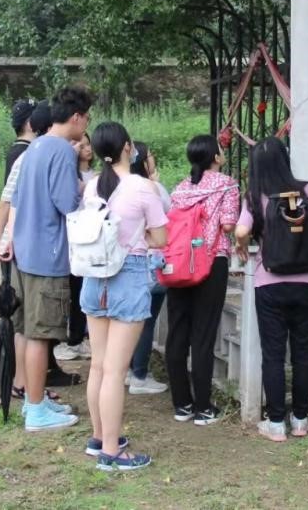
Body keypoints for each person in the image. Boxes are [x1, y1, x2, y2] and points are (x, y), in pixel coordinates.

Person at [2, 86, 93, 431]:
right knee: (41, 335)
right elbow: (66, 203)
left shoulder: (35, 146)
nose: (86, 125)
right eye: (86, 118)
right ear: (76, 117)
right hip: (48, 256)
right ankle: (38, 410)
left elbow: (18, 198)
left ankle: (33, 400)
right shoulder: (62, 151)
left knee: (28, 330)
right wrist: (85, 189)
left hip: (25, 252)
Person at [80, 122, 168, 471]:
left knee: (99, 366)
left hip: (94, 276)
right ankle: (112, 451)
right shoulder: (143, 187)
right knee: (116, 372)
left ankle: (99, 437)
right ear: (127, 147)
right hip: (128, 275)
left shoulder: (91, 187)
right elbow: (160, 238)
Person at [234, 137, 308, 442]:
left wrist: (241, 246)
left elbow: (241, 230)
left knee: (274, 353)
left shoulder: (255, 196)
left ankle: (276, 422)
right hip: (307, 281)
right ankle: (300, 419)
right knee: (304, 351)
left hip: (270, 283)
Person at [164, 134, 240, 425]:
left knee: (177, 331)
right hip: (210, 262)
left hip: (179, 263)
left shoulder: (180, 189)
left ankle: (182, 404)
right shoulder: (226, 184)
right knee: (203, 335)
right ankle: (203, 407)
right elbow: (228, 225)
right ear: (216, 157)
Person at [125, 141, 169, 394]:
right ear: (143, 160)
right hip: (152, 260)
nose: (153, 159)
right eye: (151, 155)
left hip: (127, 261)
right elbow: (168, 216)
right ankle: (140, 375)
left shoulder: (119, 186)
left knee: (128, 318)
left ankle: (128, 369)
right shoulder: (152, 188)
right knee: (146, 320)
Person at [56, 138, 94, 362]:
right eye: (81, 145)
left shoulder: (97, 175)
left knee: (83, 289)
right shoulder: (69, 175)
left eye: (88, 144)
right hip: (72, 236)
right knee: (71, 289)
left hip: (91, 236)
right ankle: (69, 337)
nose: (86, 149)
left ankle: (79, 337)